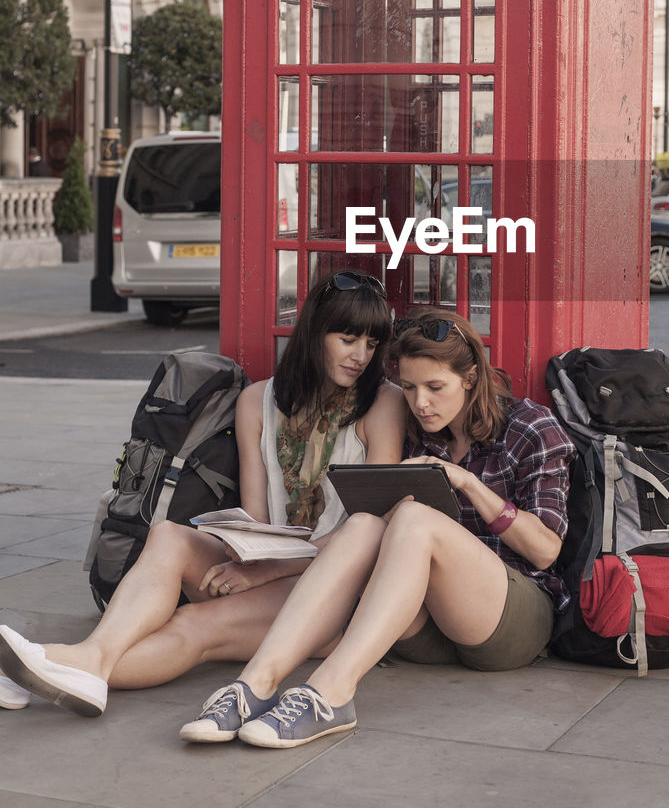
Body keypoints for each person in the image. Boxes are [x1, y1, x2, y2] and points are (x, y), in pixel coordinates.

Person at [0, 271, 405, 721]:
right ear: (314, 332)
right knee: (169, 537)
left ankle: (45, 666)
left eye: (371, 344)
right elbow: (255, 517)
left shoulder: (382, 404)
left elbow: (366, 527)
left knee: (192, 625)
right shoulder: (257, 401)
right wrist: (245, 557)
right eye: (348, 339)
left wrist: (262, 573)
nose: (361, 357)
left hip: (329, 590)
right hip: (269, 564)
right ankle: (82, 661)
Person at [179, 309, 574, 747]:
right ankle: (255, 684)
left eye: (434, 387)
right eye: (408, 387)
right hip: (424, 626)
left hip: (509, 621)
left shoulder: (530, 427)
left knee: (414, 518)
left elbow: (547, 551)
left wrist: (466, 482)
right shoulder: (416, 430)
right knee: (367, 521)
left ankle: (331, 693)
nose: (420, 402)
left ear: (470, 377)